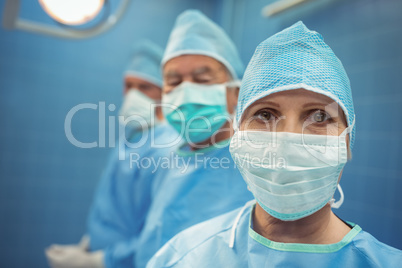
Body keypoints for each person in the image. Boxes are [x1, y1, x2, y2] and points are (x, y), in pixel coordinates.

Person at [146, 21, 402, 267]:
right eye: (265, 115)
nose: (287, 138)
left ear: (347, 141)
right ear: (237, 133)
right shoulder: (182, 258)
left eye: (320, 116)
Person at [133, 10, 254, 267]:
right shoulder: (167, 161)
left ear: (235, 93)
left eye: (202, 79)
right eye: (174, 81)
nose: (186, 90)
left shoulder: (256, 166)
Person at [45, 41, 180, 268]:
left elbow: (159, 233)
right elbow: (114, 208)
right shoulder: (133, 137)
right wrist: (91, 245)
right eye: (129, 85)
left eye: (144, 87)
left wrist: (102, 260)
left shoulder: (167, 147)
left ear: (164, 91)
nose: (133, 94)